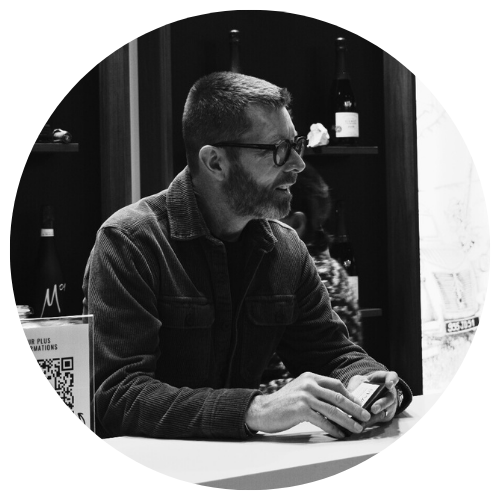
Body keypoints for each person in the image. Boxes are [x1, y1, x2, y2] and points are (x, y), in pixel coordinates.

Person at [83, 71, 411, 441]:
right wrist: (255, 409)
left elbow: (333, 354)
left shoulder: (286, 250)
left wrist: (372, 384)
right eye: (278, 150)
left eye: (296, 144)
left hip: (252, 466)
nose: (298, 164)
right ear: (215, 162)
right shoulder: (129, 242)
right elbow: (117, 396)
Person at [260, 164, 363, 394]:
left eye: (263, 214)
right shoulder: (334, 269)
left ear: (296, 224)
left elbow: (317, 370)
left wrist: (246, 403)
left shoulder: (300, 272)